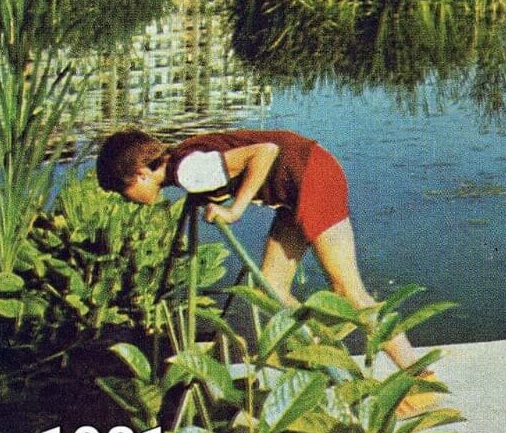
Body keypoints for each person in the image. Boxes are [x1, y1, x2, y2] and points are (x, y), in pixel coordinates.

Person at [96, 126, 438, 408]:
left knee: (349, 291)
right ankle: (321, 351)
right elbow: (231, 166)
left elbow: (265, 152)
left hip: (313, 178)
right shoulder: (182, 162)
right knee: (271, 288)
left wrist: (235, 209)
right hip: (296, 185)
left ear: (141, 174)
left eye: (123, 191)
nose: (127, 200)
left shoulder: (188, 170)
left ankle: (420, 380)